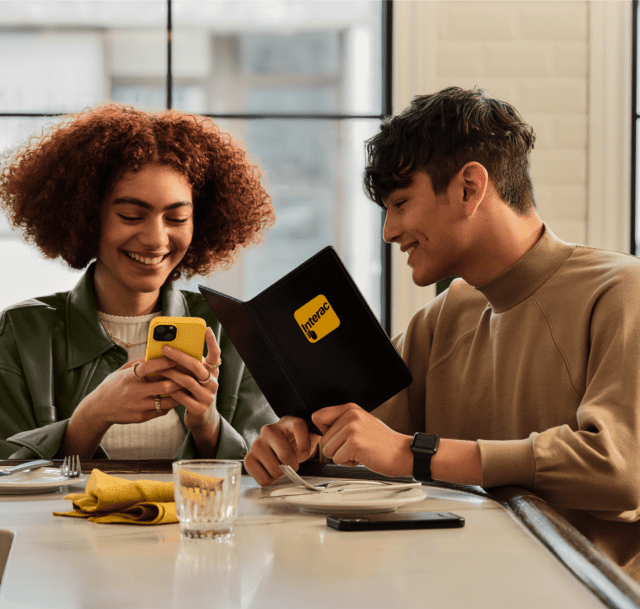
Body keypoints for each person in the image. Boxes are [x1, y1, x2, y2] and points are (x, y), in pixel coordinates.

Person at [244, 86, 640, 582]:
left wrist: (416, 452)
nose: (389, 231)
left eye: (401, 202)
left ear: (470, 189)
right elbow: (363, 441)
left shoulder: (622, 290)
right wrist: (297, 449)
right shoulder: (444, 317)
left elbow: (619, 470)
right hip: (452, 600)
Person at [0, 104, 278, 460]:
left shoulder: (233, 329)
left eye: (177, 217)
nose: (156, 239)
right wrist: (91, 416)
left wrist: (207, 424)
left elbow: (269, 480)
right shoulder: (23, 333)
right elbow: (7, 482)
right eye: (131, 216)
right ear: (87, 215)